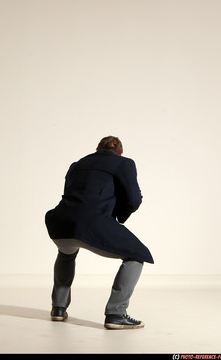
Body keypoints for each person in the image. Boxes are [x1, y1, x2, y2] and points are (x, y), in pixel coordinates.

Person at [45, 136, 154, 330]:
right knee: (137, 255)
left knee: (66, 253)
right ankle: (116, 313)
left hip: (59, 222)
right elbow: (134, 199)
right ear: (120, 153)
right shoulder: (124, 163)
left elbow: (72, 194)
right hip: (90, 222)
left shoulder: (77, 164)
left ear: (97, 149)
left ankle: (58, 309)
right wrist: (119, 215)